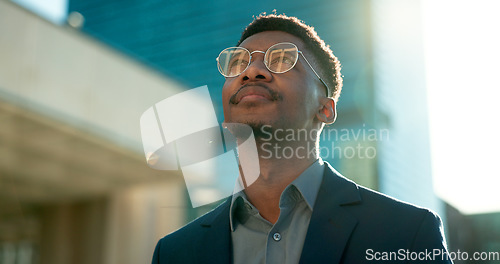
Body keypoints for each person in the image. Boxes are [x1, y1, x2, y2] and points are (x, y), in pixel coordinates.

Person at [152, 14, 452, 264]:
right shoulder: (175, 252)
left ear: (325, 108)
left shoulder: (407, 233)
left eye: (281, 60)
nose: (252, 71)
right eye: (237, 64)